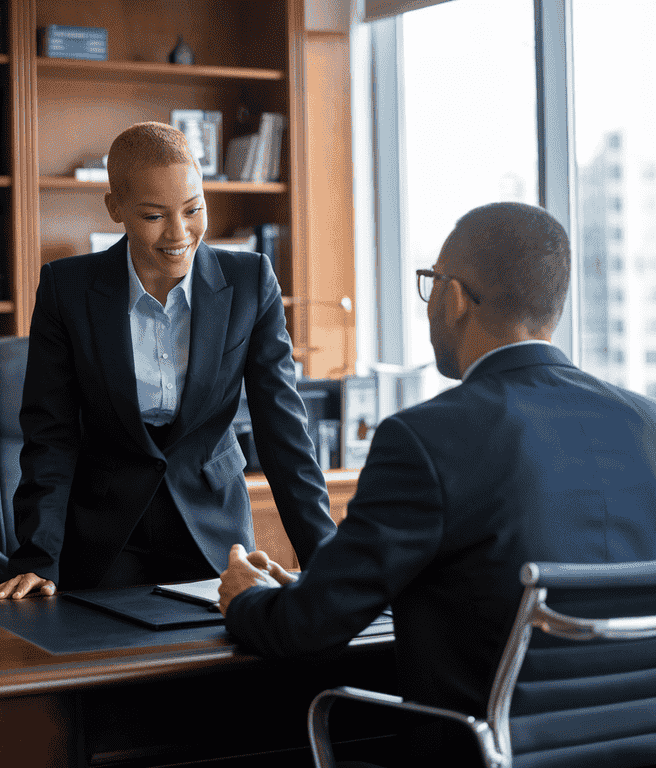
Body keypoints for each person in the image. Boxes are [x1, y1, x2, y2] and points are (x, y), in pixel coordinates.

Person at [219, 202, 656, 764]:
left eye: (430, 284)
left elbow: (307, 630)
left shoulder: (426, 438)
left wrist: (246, 598)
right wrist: (314, 584)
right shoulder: (647, 425)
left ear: (451, 297)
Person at [0, 121, 335, 600]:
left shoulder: (250, 282)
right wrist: (38, 559)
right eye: (154, 216)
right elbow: (51, 436)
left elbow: (284, 431)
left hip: (213, 529)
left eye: (194, 209)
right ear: (116, 209)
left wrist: (329, 562)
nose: (179, 233)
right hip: (105, 533)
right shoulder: (68, 291)